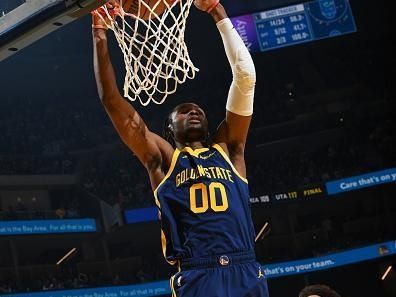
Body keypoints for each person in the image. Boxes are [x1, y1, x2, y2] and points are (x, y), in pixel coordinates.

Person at [92, 0, 269, 296]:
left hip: (246, 268)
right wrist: (99, 32)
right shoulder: (162, 160)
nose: (194, 111)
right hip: (198, 271)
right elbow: (111, 101)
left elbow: (245, 77)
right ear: (169, 130)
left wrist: (216, 10)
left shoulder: (230, 149)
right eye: (184, 111)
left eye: (197, 109)